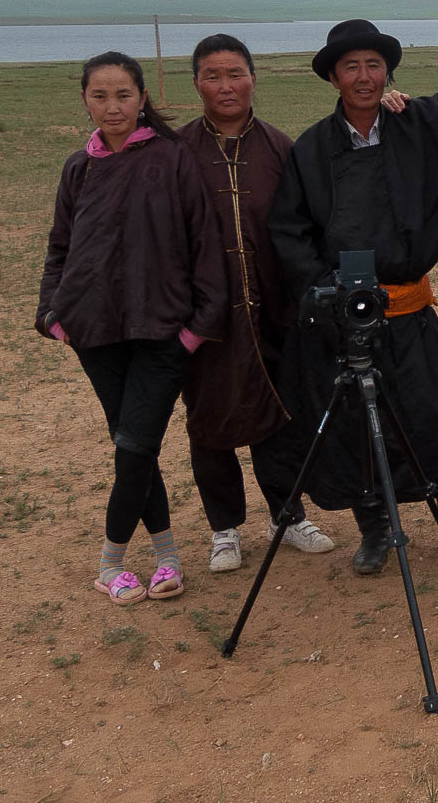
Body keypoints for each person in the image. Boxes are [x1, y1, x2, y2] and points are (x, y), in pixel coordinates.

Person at [260, 20, 438, 575]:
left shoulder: (419, 127)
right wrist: (322, 290)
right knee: (356, 422)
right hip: (345, 316)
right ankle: (376, 528)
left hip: (410, 310)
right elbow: (289, 231)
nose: (364, 77)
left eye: (374, 65)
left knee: (435, 418)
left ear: (389, 72)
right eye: (351, 66)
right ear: (333, 76)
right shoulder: (311, 149)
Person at [36, 50, 227, 605]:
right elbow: (60, 249)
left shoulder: (171, 158)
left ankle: (110, 563)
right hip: (93, 333)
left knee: (135, 444)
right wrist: (53, 315)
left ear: (143, 98)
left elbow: (205, 246)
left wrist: (195, 330)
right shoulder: (80, 166)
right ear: (85, 100)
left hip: (163, 332)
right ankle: (166, 558)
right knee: (132, 448)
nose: (112, 106)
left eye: (123, 95)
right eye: (100, 95)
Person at [177, 34, 335, 573]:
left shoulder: (278, 147)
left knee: (282, 416)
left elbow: (306, 226)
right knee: (209, 419)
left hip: (277, 312)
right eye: (213, 75)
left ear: (253, 78)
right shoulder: (176, 153)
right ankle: (223, 530)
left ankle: (287, 515)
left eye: (236, 73)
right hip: (204, 319)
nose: (226, 86)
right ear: (196, 82)